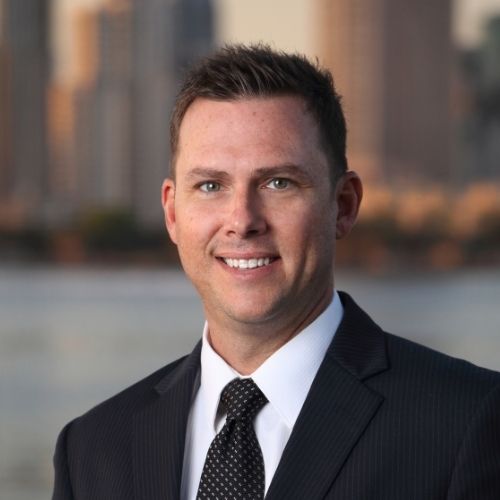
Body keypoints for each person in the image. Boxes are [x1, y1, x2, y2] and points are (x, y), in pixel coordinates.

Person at [52, 44, 500, 500]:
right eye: (211, 185)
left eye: (278, 183)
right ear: (172, 213)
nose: (243, 220)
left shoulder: (470, 422)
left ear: (343, 205)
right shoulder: (91, 450)